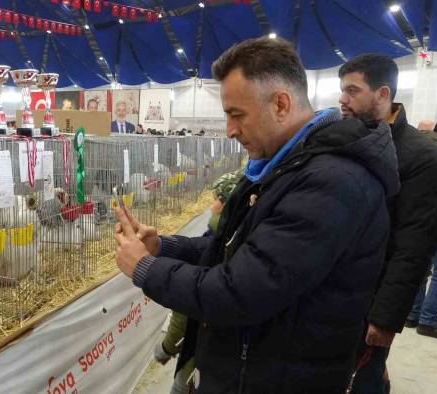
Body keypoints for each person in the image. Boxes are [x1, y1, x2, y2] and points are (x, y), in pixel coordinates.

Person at [114, 37, 399, 393]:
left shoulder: (331, 182)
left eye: (237, 114)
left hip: (279, 378)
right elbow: (234, 253)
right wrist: (163, 248)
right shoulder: (284, 168)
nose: (230, 130)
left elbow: (239, 292)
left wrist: (145, 268)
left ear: (281, 104)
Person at [337, 54, 437, 393]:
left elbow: (414, 247)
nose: (342, 99)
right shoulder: (345, 138)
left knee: (361, 377)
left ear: (383, 95)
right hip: (334, 289)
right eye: (342, 90)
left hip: (371, 295)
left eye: (352, 91)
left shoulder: (420, 157)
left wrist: (386, 317)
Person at [153, 169, 244, 394]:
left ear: (226, 205)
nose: (211, 206)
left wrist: (166, 347)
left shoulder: (218, 241)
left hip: (203, 355)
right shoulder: (236, 237)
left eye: (215, 201)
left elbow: (185, 309)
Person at [405, 117, 437, 341]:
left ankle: (413, 314)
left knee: (420, 270)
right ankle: (428, 320)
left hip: (418, 222)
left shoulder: (417, 146)